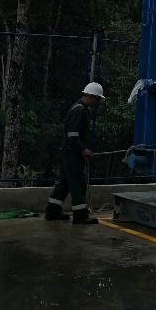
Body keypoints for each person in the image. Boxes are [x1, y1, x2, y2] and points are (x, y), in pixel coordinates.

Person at [45, 82, 105, 225]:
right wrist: (83, 150)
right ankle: (80, 215)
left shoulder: (78, 108)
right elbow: (72, 135)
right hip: (73, 154)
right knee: (78, 184)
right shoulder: (80, 110)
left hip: (69, 153)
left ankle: (52, 211)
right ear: (91, 97)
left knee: (64, 184)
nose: (98, 103)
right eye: (97, 99)